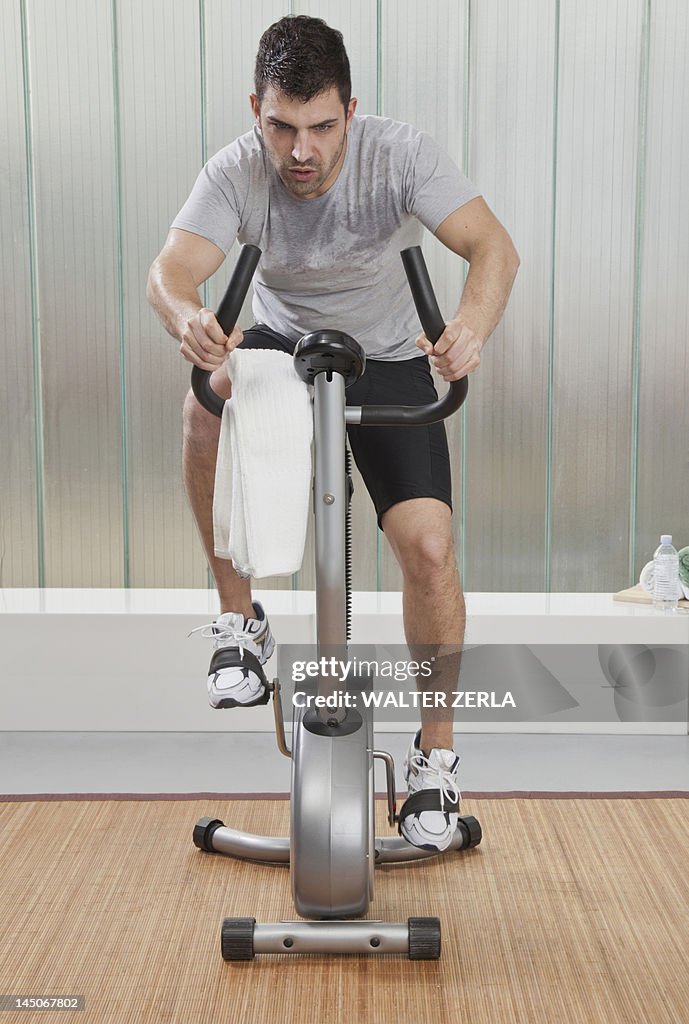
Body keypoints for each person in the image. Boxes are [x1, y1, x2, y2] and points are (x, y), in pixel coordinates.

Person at [147, 15, 519, 851]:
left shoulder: (402, 156)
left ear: (351, 109)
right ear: (257, 110)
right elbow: (170, 271)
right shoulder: (237, 170)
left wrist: (469, 325)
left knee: (427, 548)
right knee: (205, 398)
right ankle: (239, 624)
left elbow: (493, 248)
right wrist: (189, 318)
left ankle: (434, 763)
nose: (300, 151)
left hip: (387, 353)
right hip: (280, 347)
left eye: (320, 127)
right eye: (281, 127)